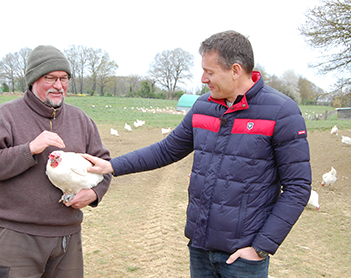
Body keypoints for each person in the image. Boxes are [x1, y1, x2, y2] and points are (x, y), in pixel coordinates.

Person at [82, 30, 312, 278]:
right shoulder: (203, 107)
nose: (203, 79)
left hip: (243, 257)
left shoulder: (281, 112)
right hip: (200, 247)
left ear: (235, 70)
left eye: (209, 72)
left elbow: (298, 187)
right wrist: (111, 166)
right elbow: (166, 149)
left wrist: (261, 247)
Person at [0, 45, 112, 278]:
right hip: (16, 237)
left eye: (64, 78)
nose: (59, 86)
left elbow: (104, 165)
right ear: (33, 79)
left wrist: (95, 193)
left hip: (67, 239)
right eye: (50, 78)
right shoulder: (5, 116)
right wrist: (29, 150)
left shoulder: (81, 120)